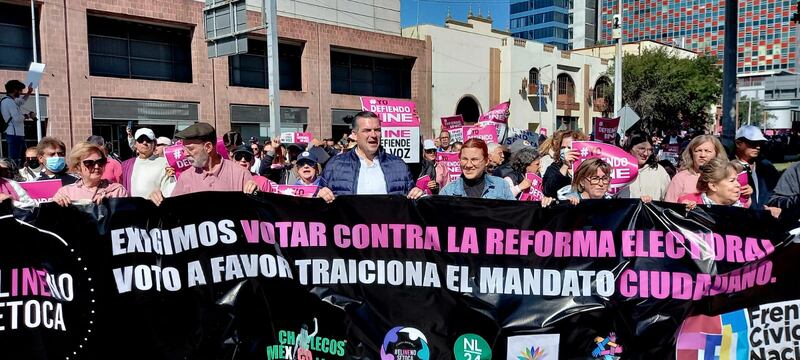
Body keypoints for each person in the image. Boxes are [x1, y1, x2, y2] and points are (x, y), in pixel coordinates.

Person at [317, 111, 424, 202]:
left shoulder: (399, 165)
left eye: (377, 130)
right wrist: (320, 196)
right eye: (367, 130)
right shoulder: (335, 165)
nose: (373, 135)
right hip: (349, 226)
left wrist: (418, 195)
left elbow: (411, 204)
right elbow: (318, 203)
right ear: (354, 135)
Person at [165, 123, 255, 200]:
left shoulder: (240, 174)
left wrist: (256, 194)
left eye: (190, 149)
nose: (185, 154)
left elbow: (254, 213)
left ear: (208, 147)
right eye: (183, 150)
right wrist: (159, 201)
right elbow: (173, 213)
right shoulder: (185, 178)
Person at [52, 142, 128, 206]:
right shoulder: (66, 193)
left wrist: (111, 205)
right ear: (77, 167)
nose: (97, 166)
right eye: (89, 163)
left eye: (100, 162)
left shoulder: (117, 191)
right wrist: (56, 206)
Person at [439, 138, 515, 200]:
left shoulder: (501, 186)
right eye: (464, 159)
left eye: (474, 160)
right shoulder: (447, 192)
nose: (468, 165)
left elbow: (513, 215)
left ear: (486, 161)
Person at [676, 158, 758, 210]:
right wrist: (681, 211)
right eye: (732, 180)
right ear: (713, 186)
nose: (738, 185)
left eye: (738, 180)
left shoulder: (742, 209)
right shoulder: (689, 202)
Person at [664, 135, 727, 203]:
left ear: (717, 154)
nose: (702, 155)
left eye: (707, 151)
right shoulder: (680, 178)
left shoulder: (725, 176)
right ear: (691, 154)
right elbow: (669, 207)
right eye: (698, 151)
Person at [732, 125, 779, 209]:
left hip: (765, 217)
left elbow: (777, 191)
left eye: (760, 143)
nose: (758, 147)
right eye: (753, 143)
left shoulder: (767, 166)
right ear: (738, 143)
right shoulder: (728, 166)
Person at [122, 128, 176, 200]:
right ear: (135, 144)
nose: (144, 143)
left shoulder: (165, 163)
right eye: (141, 140)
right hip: (131, 208)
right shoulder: (126, 165)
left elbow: (169, 189)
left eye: (148, 140)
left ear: (154, 143)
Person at [618, 132, 671, 201]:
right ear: (630, 148)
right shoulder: (618, 169)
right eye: (642, 149)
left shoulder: (659, 171)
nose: (646, 154)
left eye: (649, 150)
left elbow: (668, 199)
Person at [1, 80, 34, 165]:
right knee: (14, 160)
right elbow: (17, 118)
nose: (21, 93)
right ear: (15, 90)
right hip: (14, 134)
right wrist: (28, 115)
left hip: (16, 134)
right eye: (20, 90)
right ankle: (13, 176)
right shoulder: (9, 102)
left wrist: (29, 92)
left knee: (19, 159)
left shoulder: (11, 100)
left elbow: (22, 101)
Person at [542, 130, 584, 198]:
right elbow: (548, 191)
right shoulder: (553, 168)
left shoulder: (587, 167)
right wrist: (565, 165)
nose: (566, 150)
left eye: (569, 147)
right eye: (563, 147)